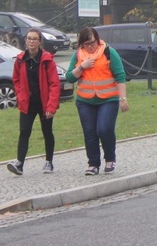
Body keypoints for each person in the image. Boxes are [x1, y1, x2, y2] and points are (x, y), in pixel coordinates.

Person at [66, 27, 129, 175]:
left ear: (97, 40)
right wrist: (81, 66)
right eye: (86, 44)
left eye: (93, 42)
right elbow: (70, 77)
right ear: (81, 43)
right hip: (85, 101)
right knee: (90, 132)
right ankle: (93, 164)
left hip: (108, 99)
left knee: (104, 129)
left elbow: (120, 76)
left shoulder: (108, 52)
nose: (90, 46)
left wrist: (123, 98)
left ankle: (110, 158)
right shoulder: (78, 55)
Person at [7, 28, 61, 176]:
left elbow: (55, 84)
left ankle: (49, 161)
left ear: (39, 42)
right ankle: (19, 163)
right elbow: (16, 79)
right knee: (24, 132)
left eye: (34, 39)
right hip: (27, 102)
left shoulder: (47, 60)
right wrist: (20, 94)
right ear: (26, 40)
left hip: (44, 102)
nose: (31, 41)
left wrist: (51, 106)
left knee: (47, 131)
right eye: (29, 38)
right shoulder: (20, 59)